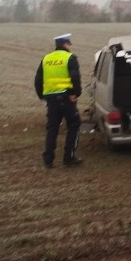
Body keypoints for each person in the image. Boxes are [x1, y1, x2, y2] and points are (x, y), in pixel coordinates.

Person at [34, 33, 82, 168]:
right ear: (65, 44)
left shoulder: (46, 59)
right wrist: (76, 94)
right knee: (74, 124)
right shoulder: (70, 58)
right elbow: (75, 78)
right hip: (67, 98)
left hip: (51, 100)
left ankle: (48, 160)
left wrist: (42, 96)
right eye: (69, 43)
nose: (70, 46)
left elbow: (38, 80)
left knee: (52, 128)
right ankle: (69, 157)